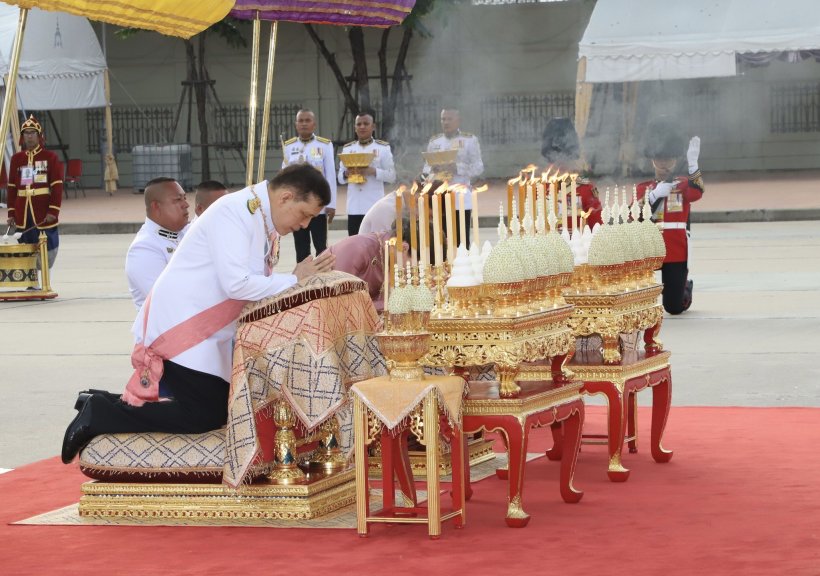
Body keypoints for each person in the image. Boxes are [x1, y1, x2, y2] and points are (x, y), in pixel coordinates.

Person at [61, 164, 336, 464]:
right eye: (305, 214)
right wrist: (295, 279)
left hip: (208, 331)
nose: (305, 224)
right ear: (285, 198)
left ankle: (99, 400)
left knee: (216, 409)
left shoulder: (257, 215)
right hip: (183, 327)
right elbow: (236, 284)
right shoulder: (236, 212)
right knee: (201, 415)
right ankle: (100, 413)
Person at [636, 116, 703, 315]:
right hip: (649, 248)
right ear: (652, 160)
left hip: (675, 249)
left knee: (673, 307)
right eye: (660, 159)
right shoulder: (644, 188)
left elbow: (697, 192)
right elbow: (633, 215)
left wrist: (693, 165)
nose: (664, 164)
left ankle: (685, 288)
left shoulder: (682, 185)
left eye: (669, 159)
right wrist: (654, 195)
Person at [5, 115, 63, 271]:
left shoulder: (50, 157)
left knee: (47, 246)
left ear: (39, 136)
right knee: (25, 246)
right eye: (26, 133)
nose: (29, 136)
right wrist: (11, 212)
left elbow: (57, 186)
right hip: (22, 211)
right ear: (22, 136)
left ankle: (46, 282)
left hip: (43, 211)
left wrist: (53, 210)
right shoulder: (17, 159)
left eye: (32, 133)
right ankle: (31, 282)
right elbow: (11, 188)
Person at [125, 177, 190, 310]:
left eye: (185, 198)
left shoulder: (187, 232)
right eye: (178, 200)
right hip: (169, 327)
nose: (186, 204)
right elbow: (168, 300)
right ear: (156, 206)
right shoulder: (144, 248)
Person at [422, 106, 484, 246]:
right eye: (443, 119)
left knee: (461, 242)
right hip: (439, 197)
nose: (446, 122)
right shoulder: (435, 142)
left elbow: (479, 167)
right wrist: (432, 169)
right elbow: (425, 168)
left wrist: (457, 168)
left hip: (460, 197)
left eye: (450, 119)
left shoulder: (469, 140)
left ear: (459, 121)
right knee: (441, 241)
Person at [282, 109, 337, 261]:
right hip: (297, 205)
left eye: (307, 121)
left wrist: (331, 204)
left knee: (321, 247)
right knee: (301, 247)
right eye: (301, 121)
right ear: (296, 124)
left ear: (314, 124)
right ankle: (304, 281)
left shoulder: (325, 145)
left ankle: (323, 279)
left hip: (317, 206)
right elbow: (284, 176)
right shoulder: (288, 146)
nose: (304, 124)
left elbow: (330, 175)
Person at [338, 112, 396, 236]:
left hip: (374, 205)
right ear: (355, 127)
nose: (362, 127)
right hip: (354, 206)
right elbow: (340, 178)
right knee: (355, 245)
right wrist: (347, 173)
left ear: (373, 126)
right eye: (359, 124)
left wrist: (373, 171)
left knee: (375, 244)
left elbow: (392, 176)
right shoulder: (348, 149)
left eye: (366, 124)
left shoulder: (382, 148)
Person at [540, 117, 602, 230]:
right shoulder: (537, 190)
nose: (560, 162)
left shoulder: (585, 189)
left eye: (565, 156)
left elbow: (598, 230)